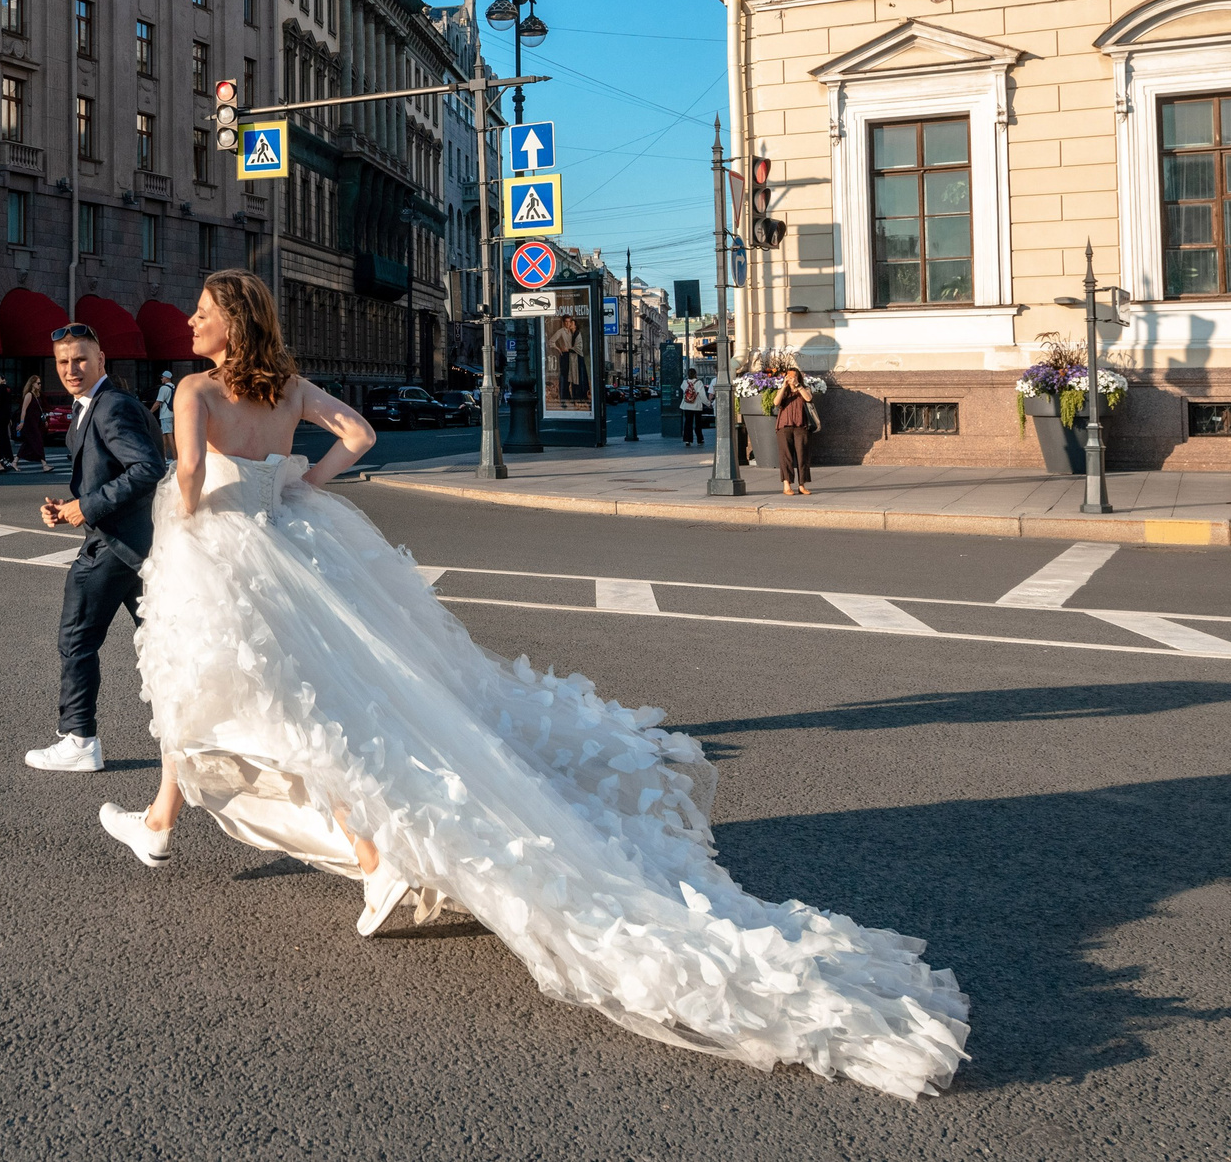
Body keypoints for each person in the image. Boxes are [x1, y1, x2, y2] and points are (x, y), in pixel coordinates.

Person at [88, 271, 966, 1102]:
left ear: (231, 322)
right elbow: (358, 436)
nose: (191, 322)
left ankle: (340, 856)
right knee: (305, 704)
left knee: (254, 699)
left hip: (225, 555)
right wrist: (296, 484)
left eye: (202, 312)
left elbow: (190, 477)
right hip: (292, 546)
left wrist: (188, 531)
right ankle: (175, 824)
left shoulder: (194, 392)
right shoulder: (287, 390)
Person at [25, 321, 168, 773]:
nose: (71, 369)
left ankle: (79, 739)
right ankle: (198, 734)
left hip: (114, 546)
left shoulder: (111, 406)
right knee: (164, 643)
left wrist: (87, 506)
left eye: (80, 359)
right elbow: (115, 472)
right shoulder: (94, 405)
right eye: (63, 362)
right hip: (135, 546)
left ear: (101, 359)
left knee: (76, 639)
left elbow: (147, 468)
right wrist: (69, 508)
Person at [773, 363, 818, 497]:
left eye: (793, 376)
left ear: (798, 377)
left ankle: (802, 485)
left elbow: (808, 398)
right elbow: (776, 403)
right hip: (784, 426)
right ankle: (786, 484)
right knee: (786, 456)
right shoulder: (784, 391)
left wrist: (797, 385)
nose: (790, 378)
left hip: (801, 426)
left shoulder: (804, 388)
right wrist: (784, 386)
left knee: (802, 456)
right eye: (788, 376)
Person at [15, 375, 49, 471]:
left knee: (28, 443)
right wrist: (22, 422)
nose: (40, 385)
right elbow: (24, 410)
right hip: (29, 423)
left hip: (36, 422)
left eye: (40, 383)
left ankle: (14, 461)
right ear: (32, 384)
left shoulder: (38, 395)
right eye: (38, 383)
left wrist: (44, 420)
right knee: (38, 442)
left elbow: (40, 410)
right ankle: (44, 465)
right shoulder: (29, 395)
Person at [153, 367, 178, 458]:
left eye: (162, 377)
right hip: (171, 414)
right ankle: (164, 457)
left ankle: (175, 457)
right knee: (164, 435)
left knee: (169, 435)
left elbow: (158, 403)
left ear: (167, 378)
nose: (161, 379)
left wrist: (150, 412)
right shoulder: (173, 387)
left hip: (165, 414)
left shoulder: (163, 388)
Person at [678, 373, 708, 446]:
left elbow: (684, 391)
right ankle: (699, 439)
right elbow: (702, 395)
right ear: (695, 374)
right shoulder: (699, 382)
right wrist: (708, 403)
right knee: (698, 423)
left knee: (688, 423)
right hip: (697, 406)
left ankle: (687, 440)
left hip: (687, 405)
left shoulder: (684, 382)